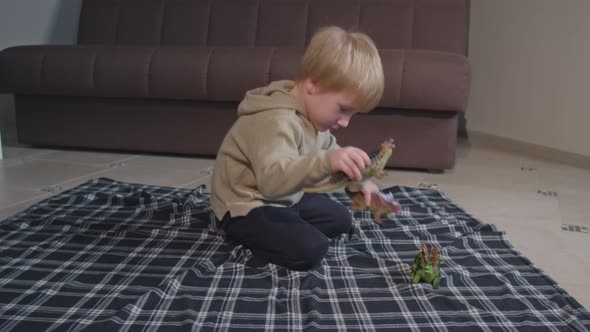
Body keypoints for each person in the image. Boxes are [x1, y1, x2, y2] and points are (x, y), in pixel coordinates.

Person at [210, 26, 385, 270]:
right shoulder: (275, 120)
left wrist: (358, 181)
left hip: (284, 198)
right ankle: (240, 233)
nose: (345, 122)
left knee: (341, 220)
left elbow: (329, 150)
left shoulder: (314, 117)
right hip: (247, 205)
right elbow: (271, 183)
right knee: (311, 249)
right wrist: (327, 161)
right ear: (314, 83)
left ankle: (284, 228)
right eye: (343, 109)